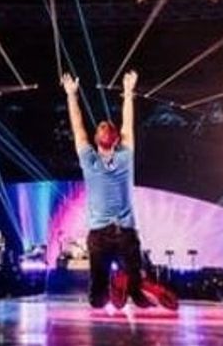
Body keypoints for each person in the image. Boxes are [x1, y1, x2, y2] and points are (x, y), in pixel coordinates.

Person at [61, 70, 154, 309]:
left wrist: (129, 93)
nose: (104, 127)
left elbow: (127, 124)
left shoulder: (124, 155)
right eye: (102, 127)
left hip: (124, 231)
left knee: (136, 286)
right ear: (97, 138)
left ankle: (130, 286)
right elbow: (77, 127)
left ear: (114, 138)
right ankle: (109, 288)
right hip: (100, 234)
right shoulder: (89, 159)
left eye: (107, 127)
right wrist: (71, 95)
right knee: (97, 299)